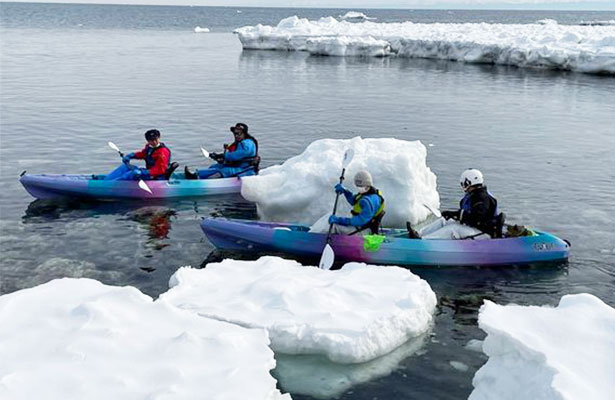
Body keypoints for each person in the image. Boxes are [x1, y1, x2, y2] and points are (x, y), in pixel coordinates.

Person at [411, 168, 500, 240]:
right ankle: (419, 233)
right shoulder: (476, 195)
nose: (463, 187)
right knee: (445, 221)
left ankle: (423, 240)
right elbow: (469, 216)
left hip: (483, 233)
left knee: (453, 229)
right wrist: (451, 215)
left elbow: (477, 218)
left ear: (468, 182)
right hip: (475, 228)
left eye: (463, 184)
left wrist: (456, 215)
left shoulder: (482, 198)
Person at [184, 123, 259, 179]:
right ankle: (197, 174)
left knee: (225, 170)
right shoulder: (239, 143)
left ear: (244, 134)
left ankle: (204, 180)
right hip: (237, 165)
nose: (236, 136)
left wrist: (223, 156)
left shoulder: (247, 143)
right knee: (215, 166)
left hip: (245, 169)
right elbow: (232, 157)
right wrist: (219, 158)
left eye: (238, 133)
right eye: (235, 133)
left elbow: (239, 154)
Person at [328, 170, 385, 235]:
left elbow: (360, 220)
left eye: (362, 186)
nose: (360, 188)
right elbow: (354, 201)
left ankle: (326, 241)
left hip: (365, 230)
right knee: (336, 223)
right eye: (358, 186)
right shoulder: (366, 193)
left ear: (368, 184)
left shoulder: (370, 201)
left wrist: (340, 220)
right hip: (360, 226)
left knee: (335, 227)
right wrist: (346, 191)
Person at [105, 129, 171, 181]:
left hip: (157, 176)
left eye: (155, 139)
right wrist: (131, 156)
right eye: (151, 140)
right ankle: (106, 180)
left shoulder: (162, 152)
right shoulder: (149, 147)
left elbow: (160, 170)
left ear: (159, 138)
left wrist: (143, 172)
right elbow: (143, 154)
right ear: (147, 141)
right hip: (150, 172)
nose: (154, 142)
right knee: (125, 167)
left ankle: (110, 186)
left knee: (130, 174)